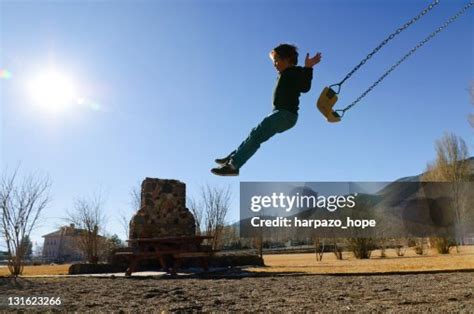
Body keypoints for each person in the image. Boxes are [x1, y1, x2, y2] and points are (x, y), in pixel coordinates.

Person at [211, 43, 322, 176]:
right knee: (255, 134)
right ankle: (233, 159)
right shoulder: (284, 73)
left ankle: (234, 165)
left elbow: (305, 87)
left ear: (287, 60)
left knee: (256, 135)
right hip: (280, 114)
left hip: (286, 115)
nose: (274, 64)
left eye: (276, 60)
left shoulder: (294, 72)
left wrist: (308, 67)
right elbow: (275, 58)